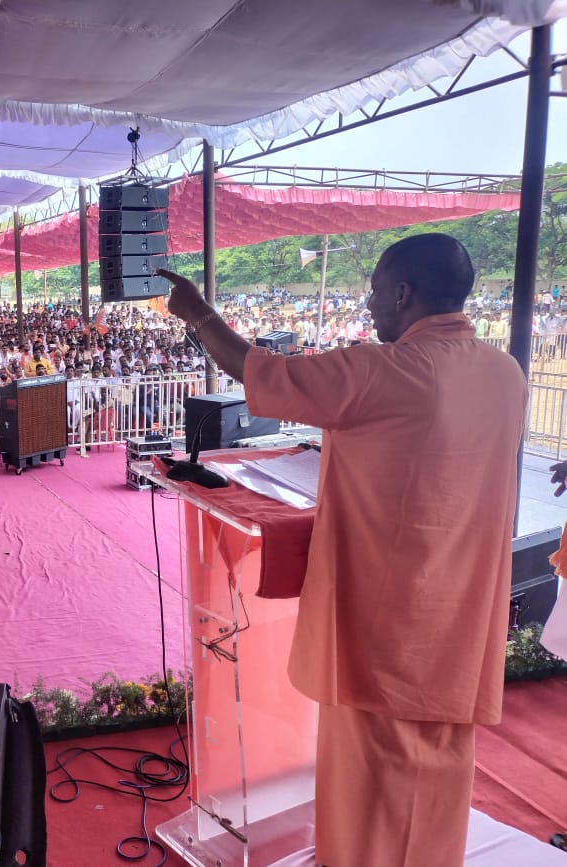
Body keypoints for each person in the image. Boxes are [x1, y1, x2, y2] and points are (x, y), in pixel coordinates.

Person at [157, 233, 527, 867]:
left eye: (376, 291)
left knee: (371, 772)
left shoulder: (386, 370)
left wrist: (197, 313)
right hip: (463, 611)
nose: (370, 304)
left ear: (404, 293)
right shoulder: (505, 373)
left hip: (387, 618)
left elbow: (257, 370)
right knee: (440, 757)